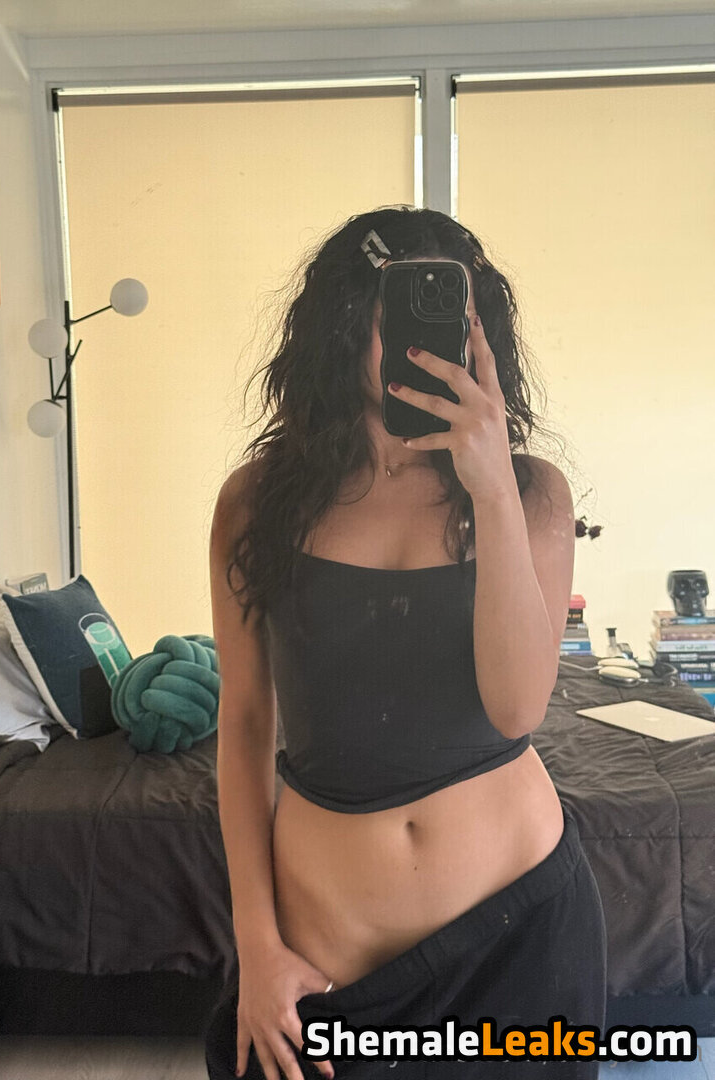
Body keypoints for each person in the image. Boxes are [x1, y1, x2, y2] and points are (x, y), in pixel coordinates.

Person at [205, 206, 606, 1079]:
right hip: (324, 956)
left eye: (446, 317)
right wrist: (256, 946)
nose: (417, 344)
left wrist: (490, 491)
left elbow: (516, 709)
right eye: (392, 313)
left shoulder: (531, 495)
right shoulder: (257, 502)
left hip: (521, 936)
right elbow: (244, 724)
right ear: (345, 324)